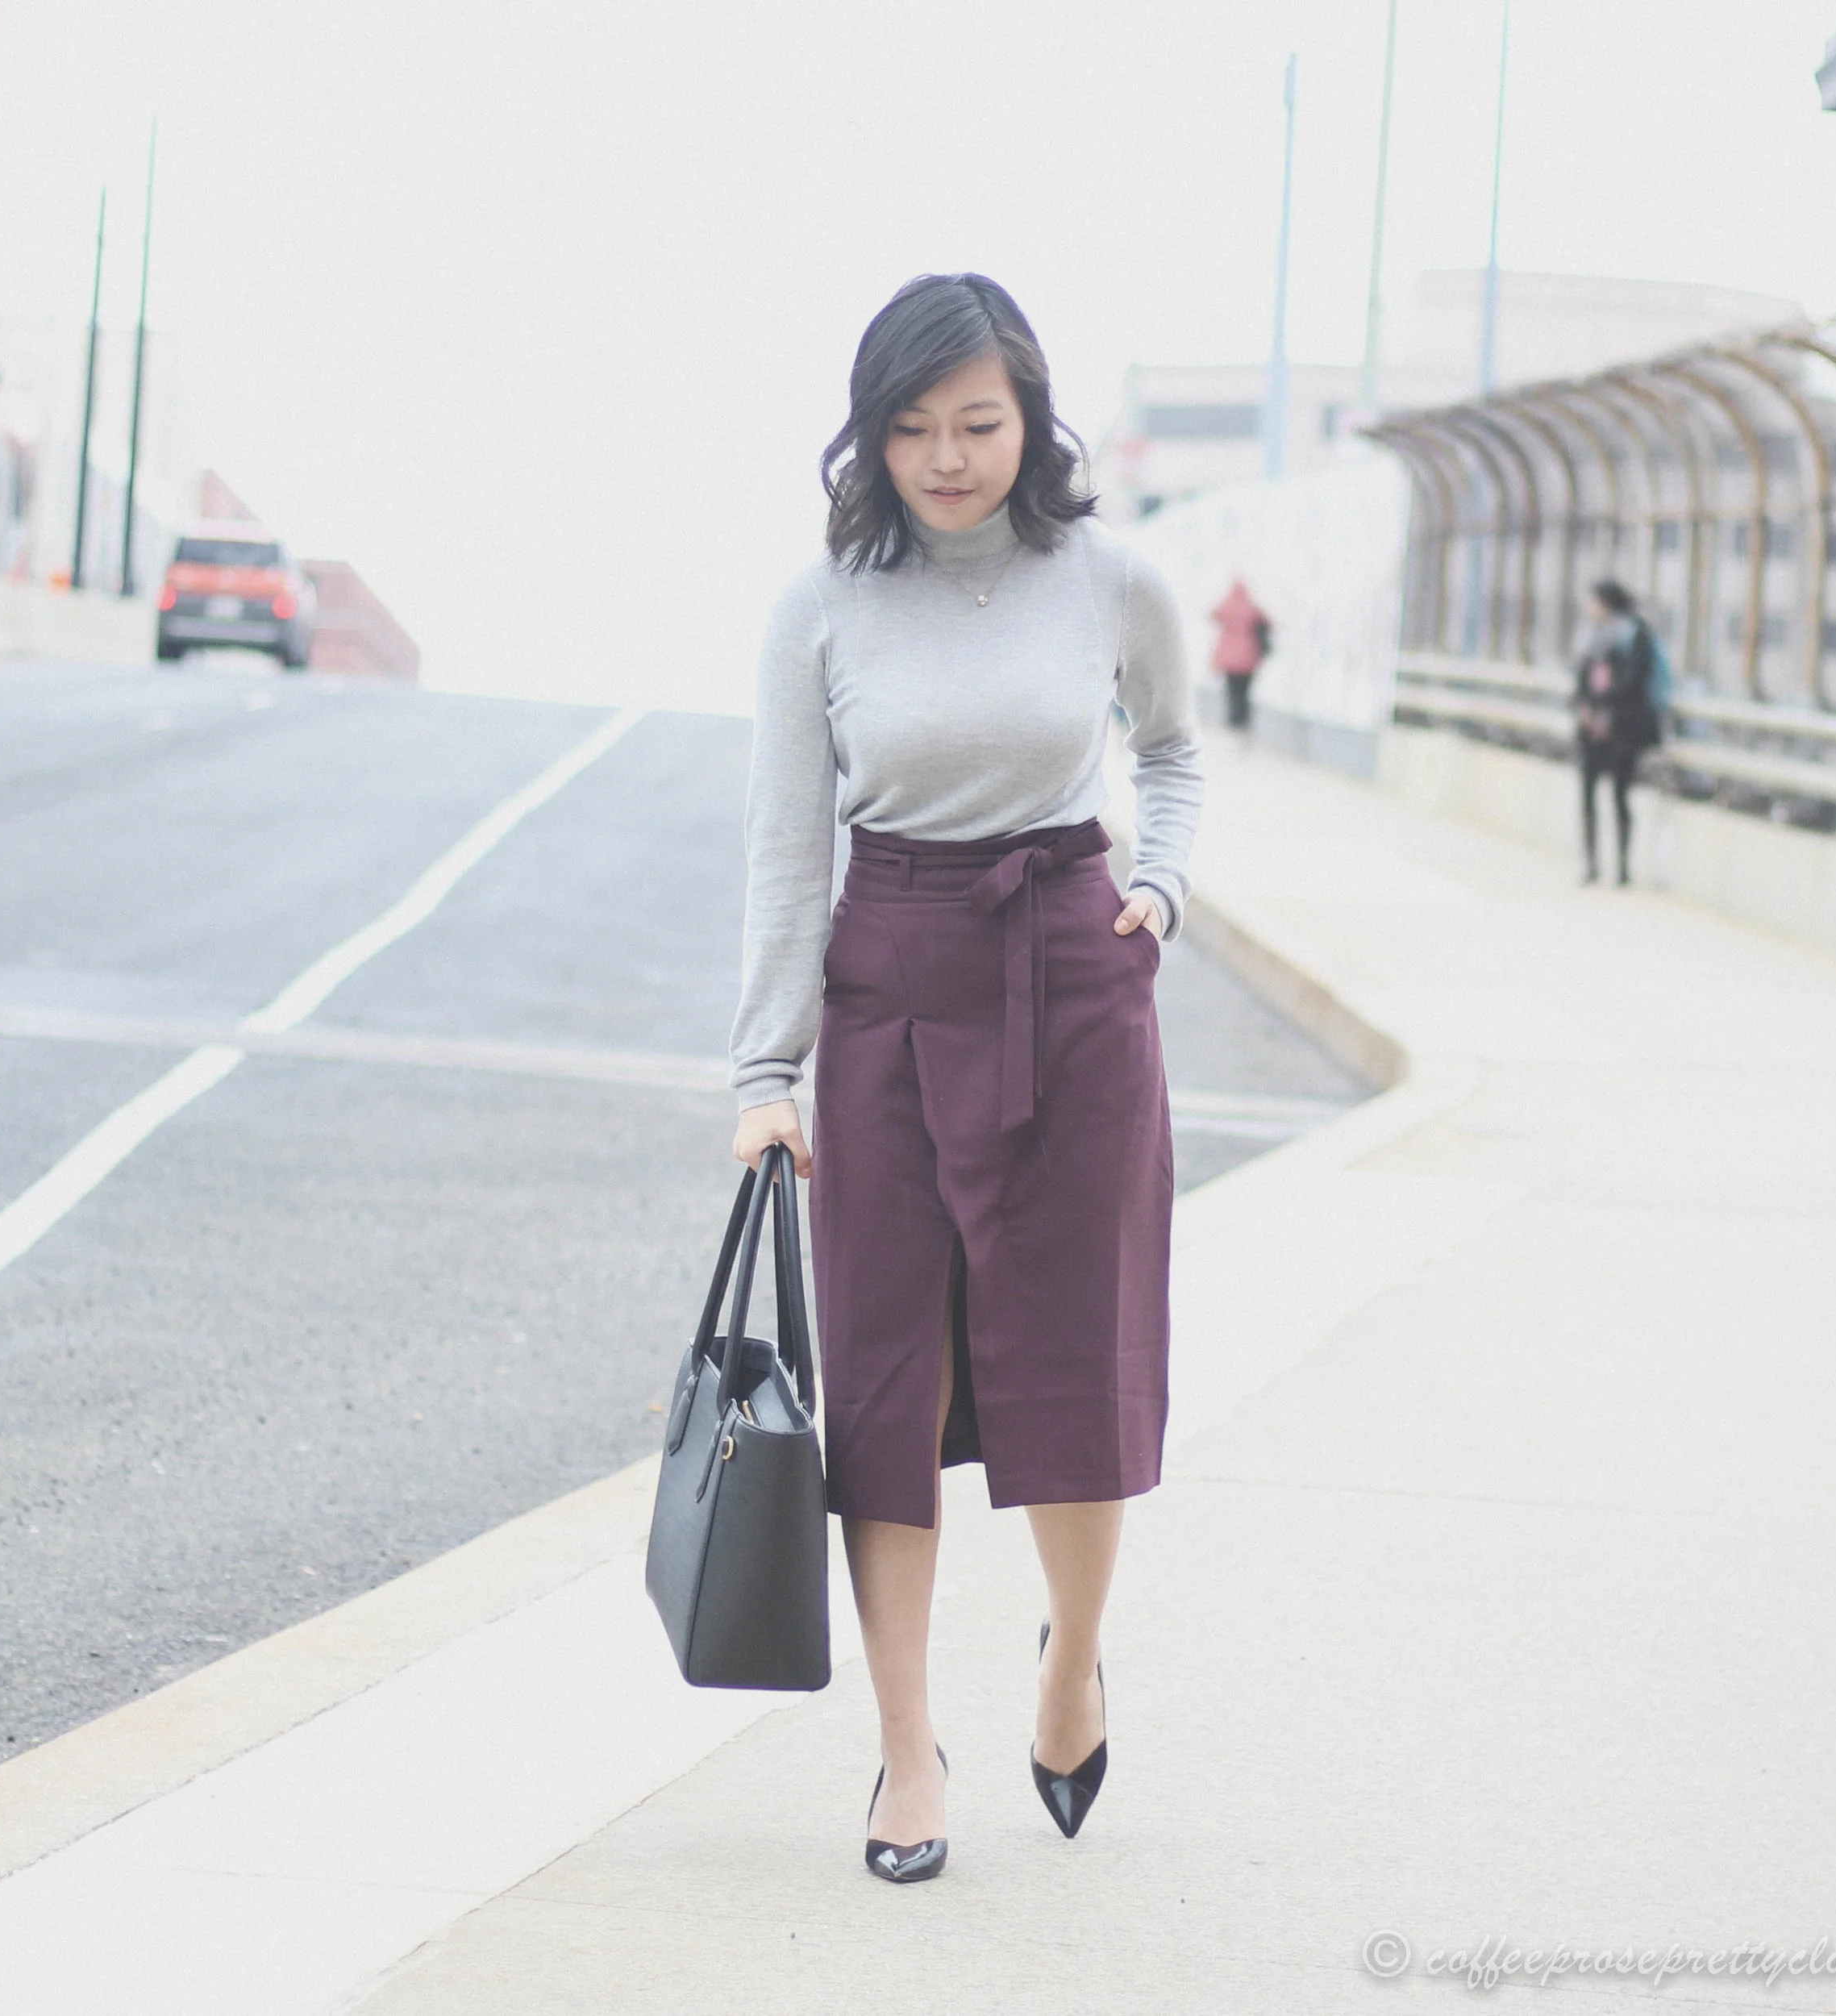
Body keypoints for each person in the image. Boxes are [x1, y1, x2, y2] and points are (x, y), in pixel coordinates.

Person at [730, 273, 1203, 1885]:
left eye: (978, 422)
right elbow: (789, 849)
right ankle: (908, 1746)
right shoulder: (822, 604)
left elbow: (1175, 753)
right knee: (882, 1378)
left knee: (1076, 1349)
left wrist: (1158, 895)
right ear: (868, 436)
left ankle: (1070, 1656)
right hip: (886, 982)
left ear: (1031, 416)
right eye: (911, 426)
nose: (946, 456)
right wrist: (762, 1067)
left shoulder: (1106, 576)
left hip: (1070, 974)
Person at [1572, 579, 1663, 886]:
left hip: (1623, 729)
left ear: (1605, 603)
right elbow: (1580, 680)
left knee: (1620, 796)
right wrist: (1583, 707)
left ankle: (1623, 867)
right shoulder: (1590, 637)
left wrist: (1601, 703)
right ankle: (1591, 863)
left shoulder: (1635, 635)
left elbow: (1636, 682)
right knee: (1588, 795)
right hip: (1591, 730)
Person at [1209, 577, 1271, 727]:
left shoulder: (1228, 605)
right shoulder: (1251, 607)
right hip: (1248, 658)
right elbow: (1269, 623)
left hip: (1230, 659)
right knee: (1244, 691)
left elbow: (1213, 614)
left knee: (1232, 690)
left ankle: (1233, 719)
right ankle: (1243, 720)